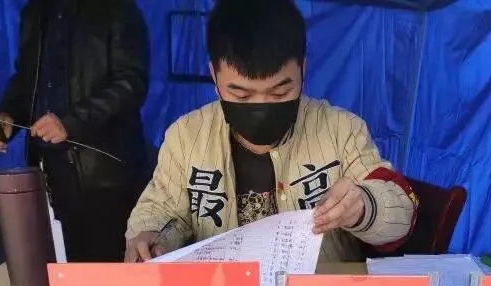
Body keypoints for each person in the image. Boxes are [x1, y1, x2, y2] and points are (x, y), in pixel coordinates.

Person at [124, 0, 418, 263]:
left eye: (279, 93)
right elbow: (159, 211)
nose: (261, 107)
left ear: (303, 68)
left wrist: (364, 205)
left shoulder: (342, 130)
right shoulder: (186, 136)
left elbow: (401, 209)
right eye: (241, 95)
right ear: (214, 75)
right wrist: (152, 238)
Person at [0, 0, 150, 262]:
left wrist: (70, 122)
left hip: (103, 176)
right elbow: (26, 80)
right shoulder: (35, 12)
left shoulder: (116, 8)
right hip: (47, 175)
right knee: (56, 269)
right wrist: (6, 114)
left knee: (106, 269)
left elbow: (131, 83)